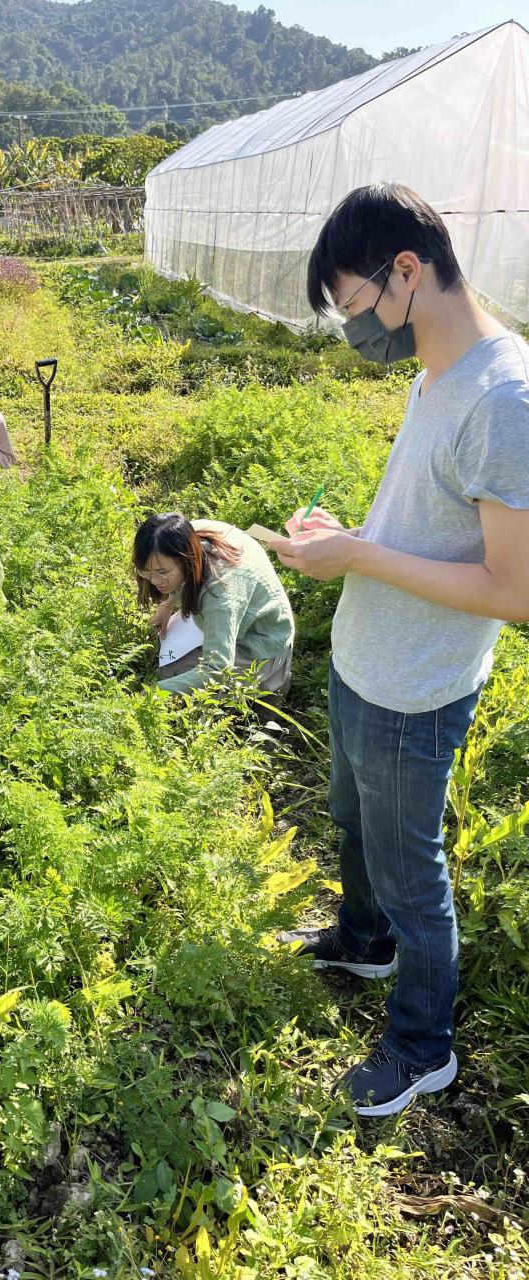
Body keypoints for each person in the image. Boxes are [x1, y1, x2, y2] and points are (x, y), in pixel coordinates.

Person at [275, 184, 529, 1117]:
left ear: (407, 273)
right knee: (352, 823)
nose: (356, 331)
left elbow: (516, 591)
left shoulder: (505, 399)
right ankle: (359, 938)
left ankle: (424, 1046)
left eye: (354, 307)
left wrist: (357, 557)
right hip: (363, 662)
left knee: (413, 873)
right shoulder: (436, 370)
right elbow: (432, 526)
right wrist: (347, 537)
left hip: (415, 693)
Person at [134, 514, 294, 696]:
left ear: (187, 558)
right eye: (147, 572)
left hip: (263, 646)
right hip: (240, 613)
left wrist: (153, 693)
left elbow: (216, 671)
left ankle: (271, 683)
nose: (154, 580)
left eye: (163, 572)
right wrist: (167, 604)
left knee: (172, 675)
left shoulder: (221, 594)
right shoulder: (179, 536)